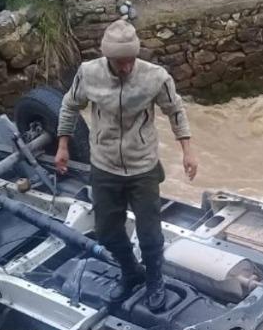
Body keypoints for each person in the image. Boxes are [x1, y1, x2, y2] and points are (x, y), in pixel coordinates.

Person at [56, 18, 198, 312]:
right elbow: (70, 105)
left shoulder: (156, 77)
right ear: (107, 57)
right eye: (120, 62)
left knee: (150, 233)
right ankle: (130, 270)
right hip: (104, 165)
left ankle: (154, 278)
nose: (126, 67)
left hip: (142, 166)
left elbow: (175, 110)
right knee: (107, 231)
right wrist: (62, 145)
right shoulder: (88, 73)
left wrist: (187, 150)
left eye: (131, 60)